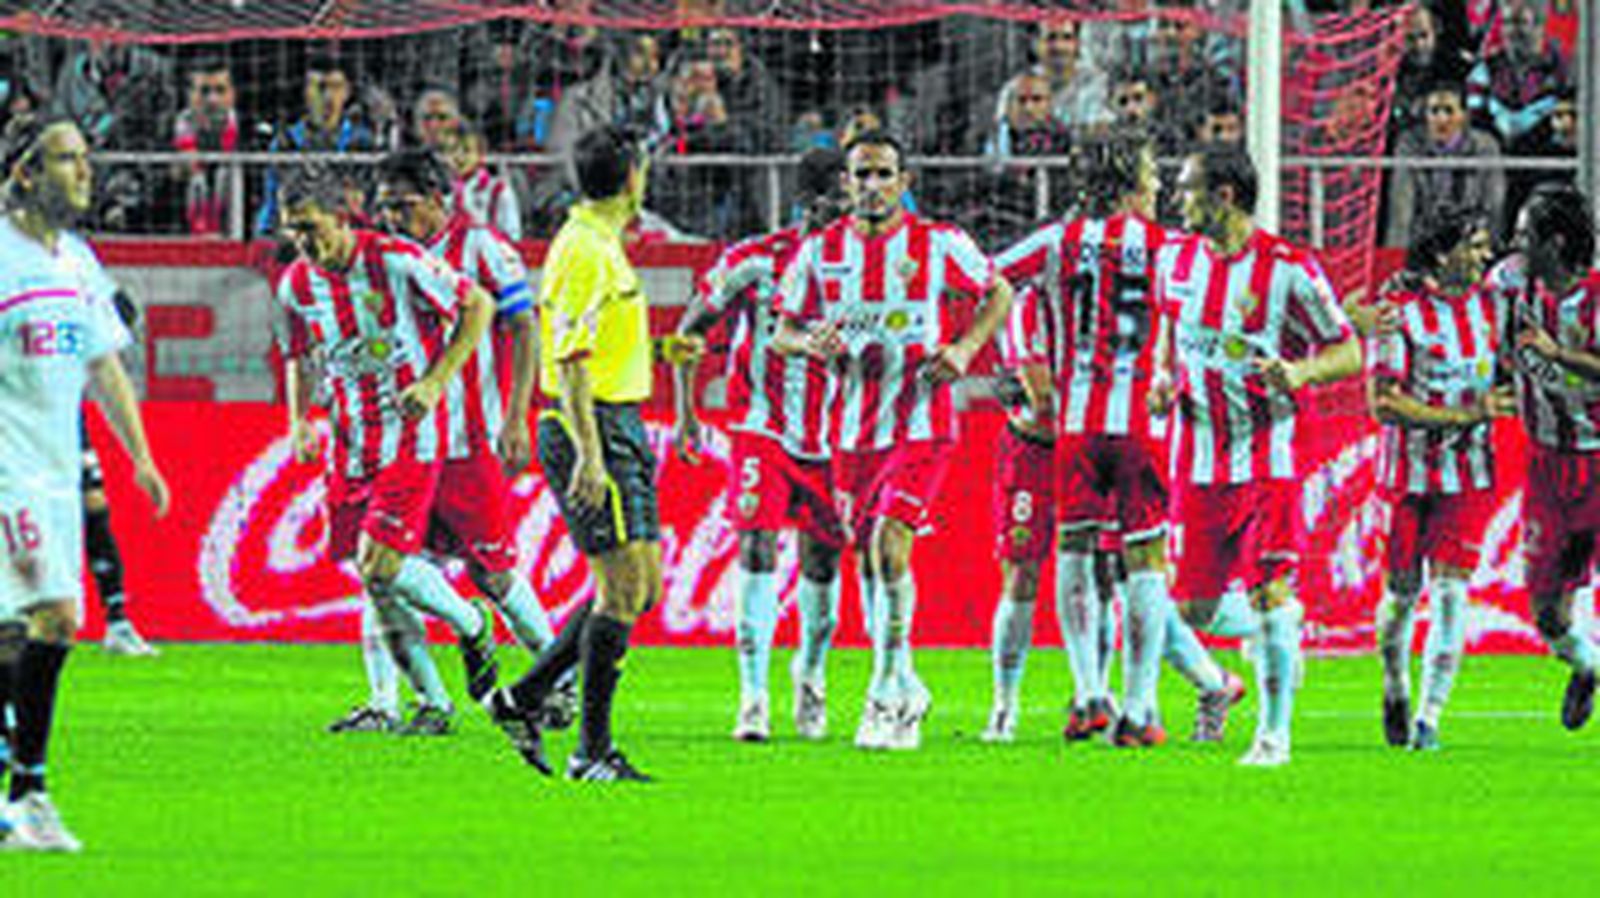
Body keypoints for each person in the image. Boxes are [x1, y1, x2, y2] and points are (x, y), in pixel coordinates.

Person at [992, 135, 1241, 747]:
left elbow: (988, 277)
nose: (1160, 188)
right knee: (1143, 566)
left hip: (1076, 427)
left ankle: (1087, 696)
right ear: (1133, 182)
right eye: (1154, 176)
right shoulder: (1173, 249)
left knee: (1075, 554)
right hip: (1145, 427)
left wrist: (998, 357)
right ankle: (1140, 710)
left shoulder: (1057, 241)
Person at [774, 130, 1015, 751]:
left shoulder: (938, 244)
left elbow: (1000, 293)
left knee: (890, 544)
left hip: (922, 423)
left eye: (884, 174)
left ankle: (882, 695)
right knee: (870, 561)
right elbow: (781, 331)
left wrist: (964, 349)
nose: (873, 186)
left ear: (905, 182)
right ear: (847, 183)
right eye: (863, 175)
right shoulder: (821, 252)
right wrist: (809, 343)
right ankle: (908, 685)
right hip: (851, 431)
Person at [320, 148, 558, 737]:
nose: (393, 217)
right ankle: (400, 701)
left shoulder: (483, 248)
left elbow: (523, 324)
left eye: (403, 206)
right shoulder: (376, 259)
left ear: (437, 198)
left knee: (494, 574)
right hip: (397, 443)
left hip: (466, 438)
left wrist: (517, 416)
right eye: (384, 207)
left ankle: (557, 682)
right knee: (379, 570)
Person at [1151, 145, 1362, 766]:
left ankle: (1273, 736)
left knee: (1271, 587)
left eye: (1187, 188)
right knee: (1194, 608)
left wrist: (1299, 372)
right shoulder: (1176, 260)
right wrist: (1163, 378)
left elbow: (1348, 353)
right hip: (1195, 459)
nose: (1175, 199)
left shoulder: (1289, 269)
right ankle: (1281, 638)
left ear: (1224, 196)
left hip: (1267, 456)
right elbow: (1169, 331)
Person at [274, 165, 502, 735]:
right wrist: (300, 420)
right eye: (292, 232)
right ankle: (428, 704)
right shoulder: (296, 285)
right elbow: (299, 355)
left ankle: (471, 623)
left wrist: (434, 380)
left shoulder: (394, 259)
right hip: (349, 445)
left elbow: (478, 307)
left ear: (341, 215)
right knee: (374, 580)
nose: (305, 243)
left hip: (410, 438)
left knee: (382, 563)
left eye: (312, 228)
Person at [482, 125, 675, 782]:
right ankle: (591, 751)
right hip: (588, 427)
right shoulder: (583, 250)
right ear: (633, 178)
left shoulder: (599, 245)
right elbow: (568, 359)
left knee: (640, 588)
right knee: (619, 590)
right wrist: (591, 456)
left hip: (620, 420)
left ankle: (524, 697)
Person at [0, 115, 171, 851]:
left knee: (13, 639)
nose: (84, 171)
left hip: (56, 476)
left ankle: (16, 797)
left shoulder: (77, 260)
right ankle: (31, 795)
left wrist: (142, 457)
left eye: (85, 158)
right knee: (60, 617)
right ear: (25, 175)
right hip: (7, 475)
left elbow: (105, 365)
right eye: (66, 159)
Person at [671, 147, 848, 743]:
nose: (847, 210)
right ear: (810, 201)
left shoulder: (873, 267)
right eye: (837, 199)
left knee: (823, 563)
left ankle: (811, 676)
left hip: (839, 440)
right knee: (757, 548)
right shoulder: (754, 260)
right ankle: (752, 697)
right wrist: (686, 413)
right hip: (761, 429)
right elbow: (688, 329)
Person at [1369, 207, 1512, 751]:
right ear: (1441, 253)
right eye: (1473, 246)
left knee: (1453, 592)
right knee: (1402, 595)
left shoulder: (1494, 304)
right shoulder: (1397, 312)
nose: (1484, 256)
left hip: (1469, 474)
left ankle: (1429, 719)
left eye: (1485, 246)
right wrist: (1467, 414)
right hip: (1407, 473)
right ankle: (1394, 682)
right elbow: (1385, 404)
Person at [1501, 184, 1600, 732]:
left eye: (1524, 235)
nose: (1514, 245)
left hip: (1599, 463)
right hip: (1546, 467)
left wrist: (1559, 354)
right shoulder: (1513, 286)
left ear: (1555, 243)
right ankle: (1588, 667)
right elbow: (1455, 289)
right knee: (1548, 614)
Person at [88, 286, 159, 657]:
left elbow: (106, 377)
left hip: (59, 419)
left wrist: (141, 458)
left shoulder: (76, 265)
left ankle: (117, 622)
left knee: (94, 507)